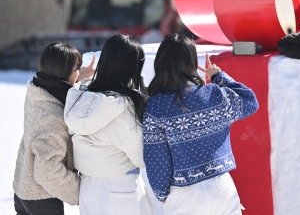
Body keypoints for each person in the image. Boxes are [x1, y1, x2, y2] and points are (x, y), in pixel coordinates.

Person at [143, 34, 259, 214]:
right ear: (191, 61)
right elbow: (250, 101)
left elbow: (157, 159)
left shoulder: (156, 106)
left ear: (161, 62)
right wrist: (218, 76)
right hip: (223, 188)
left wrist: (162, 194)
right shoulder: (214, 94)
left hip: (185, 195)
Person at [64, 34, 153, 215]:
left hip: (88, 189)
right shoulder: (122, 108)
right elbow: (143, 157)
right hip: (121, 188)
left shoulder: (80, 98)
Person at [13, 42, 96, 215]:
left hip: (24, 190)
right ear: (64, 72)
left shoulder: (39, 92)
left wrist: (78, 78)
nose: (78, 71)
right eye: (76, 68)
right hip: (41, 200)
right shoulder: (54, 114)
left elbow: (62, 89)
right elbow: (46, 171)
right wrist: (80, 192)